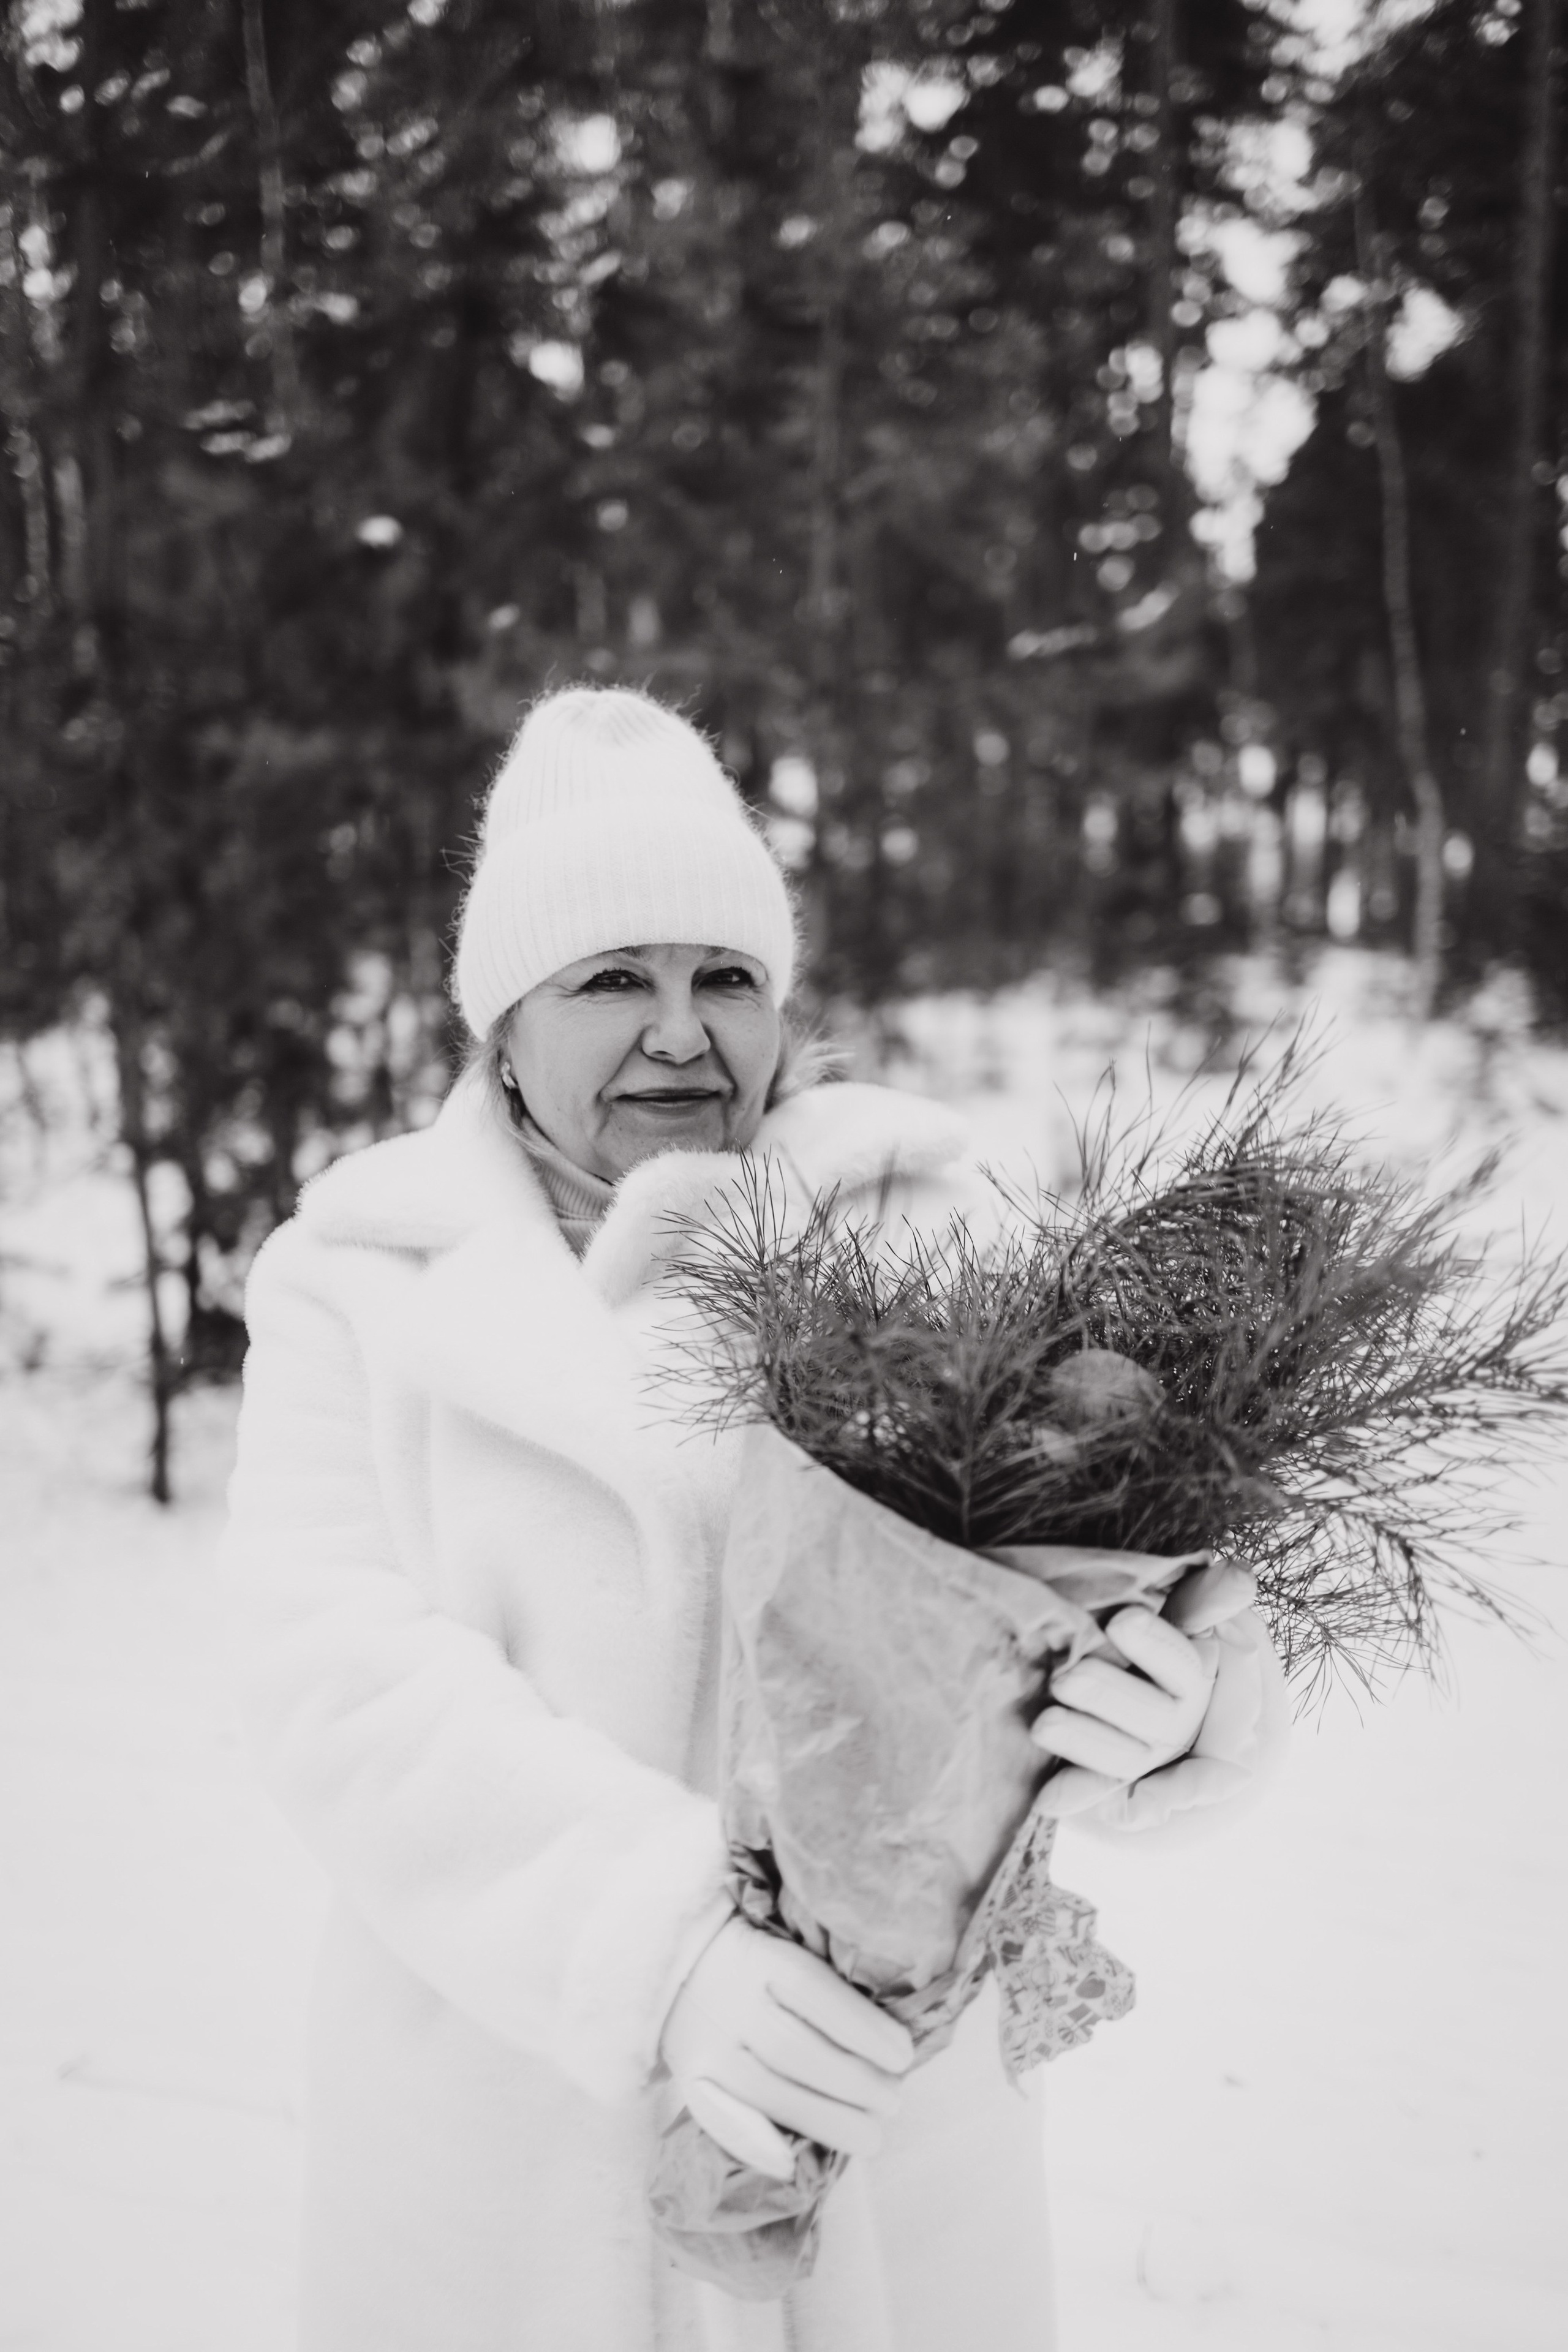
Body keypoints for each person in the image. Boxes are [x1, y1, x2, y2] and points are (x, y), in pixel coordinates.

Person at [221, 686, 1288, 2352]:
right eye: (611, 981)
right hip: (504, 2132)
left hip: (884, 2126)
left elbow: (1087, 1574)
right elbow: (330, 1676)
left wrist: (1178, 1709)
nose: (679, 1031)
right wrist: (658, 1946)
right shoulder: (360, 1277)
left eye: (724, 976)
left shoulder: (935, 1238)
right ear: (501, 1022)